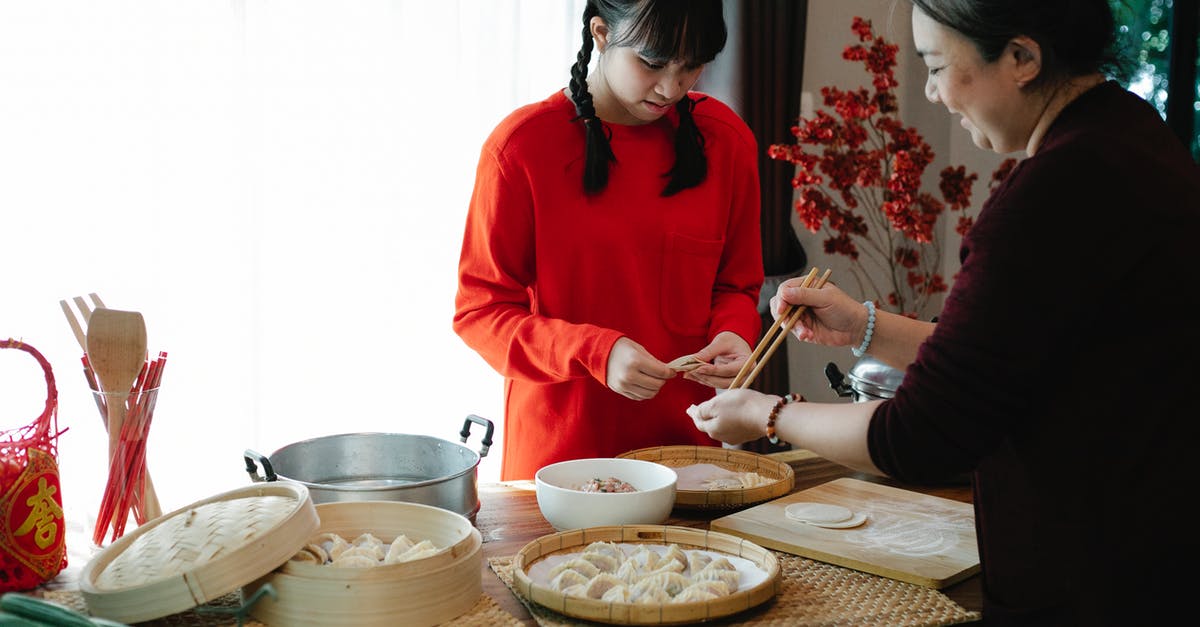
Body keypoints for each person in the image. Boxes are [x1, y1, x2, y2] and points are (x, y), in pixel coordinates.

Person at [688, 1, 1200, 624]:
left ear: (1022, 58)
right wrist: (863, 325)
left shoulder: (1053, 193)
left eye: (935, 66)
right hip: (1153, 543)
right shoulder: (1128, 133)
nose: (931, 93)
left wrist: (768, 413)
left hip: (1096, 570)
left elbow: (922, 432)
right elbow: (1007, 350)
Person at [454, 0, 764, 481]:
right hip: (557, 470)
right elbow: (481, 313)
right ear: (601, 33)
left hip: (687, 463)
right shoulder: (522, 149)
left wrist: (734, 333)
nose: (672, 87)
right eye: (652, 62)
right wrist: (594, 352)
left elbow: (736, 285)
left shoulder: (727, 141)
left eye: (692, 65)